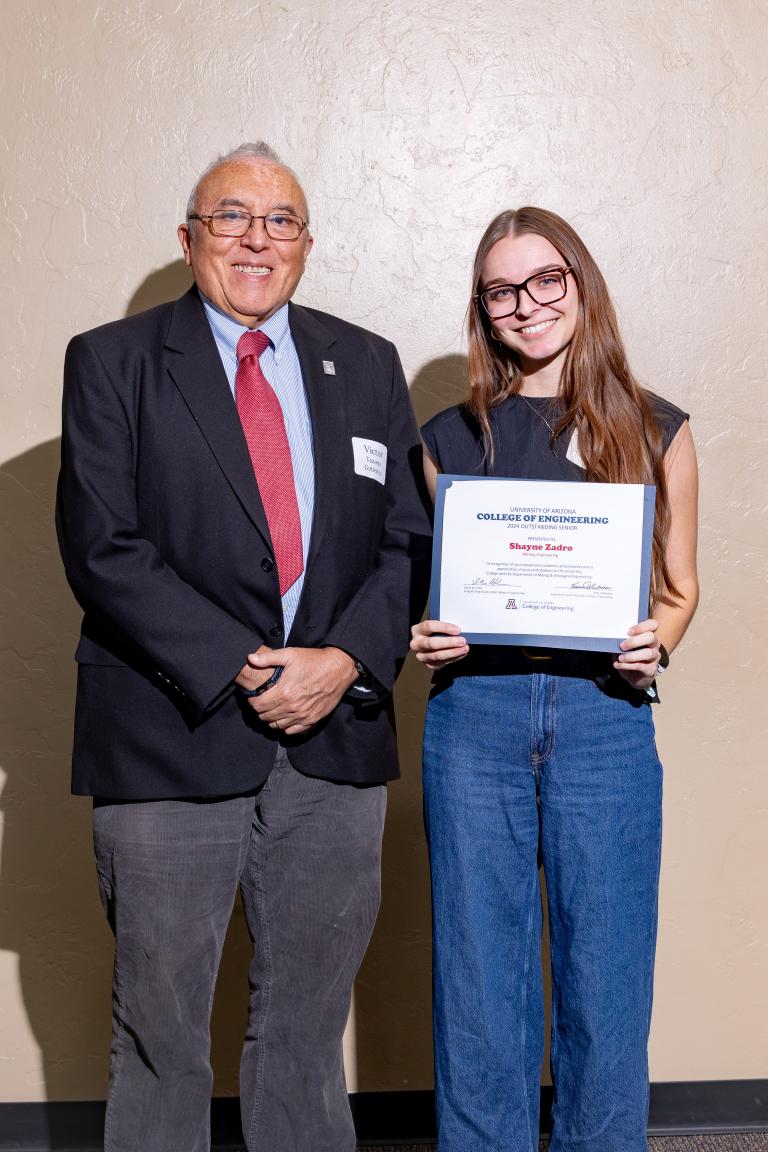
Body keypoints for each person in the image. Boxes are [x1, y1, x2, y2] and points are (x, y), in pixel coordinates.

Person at [56, 141, 431, 1152]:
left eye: (280, 221)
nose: (256, 239)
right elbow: (103, 548)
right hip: (170, 732)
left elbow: (407, 541)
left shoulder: (367, 364)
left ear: (307, 244)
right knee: (161, 1031)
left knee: (308, 1032)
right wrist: (244, 664)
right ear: (189, 238)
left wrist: (346, 661)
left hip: (333, 744)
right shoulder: (113, 361)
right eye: (231, 216)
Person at [410, 207, 699, 1152]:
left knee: (607, 978)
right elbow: (426, 592)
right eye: (502, 290)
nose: (526, 305)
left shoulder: (658, 427)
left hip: (605, 717)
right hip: (474, 716)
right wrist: (431, 636)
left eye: (546, 281)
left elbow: (678, 591)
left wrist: (655, 641)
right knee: (479, 983)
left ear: (580, 284)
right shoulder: (447, 438)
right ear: (483, 310)